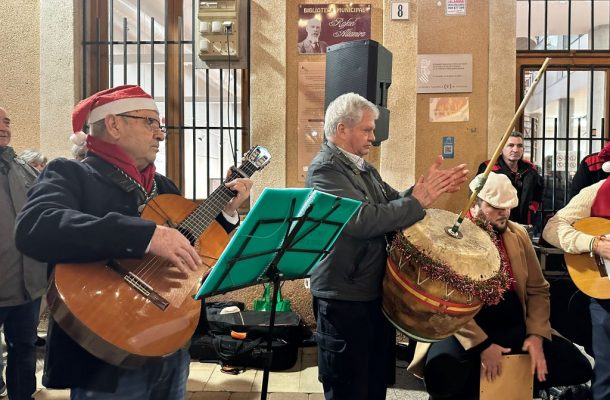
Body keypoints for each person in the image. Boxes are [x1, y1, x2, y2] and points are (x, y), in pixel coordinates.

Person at [13, 85, 253, 399]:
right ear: (113, 124)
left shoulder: (163, 186)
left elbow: (191, 244)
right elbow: (34, 226)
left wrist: (226, 212)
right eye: (150, 122)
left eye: (160, 125)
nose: (160, 134)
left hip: (167, 342)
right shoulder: (70, 173)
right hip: (102, 355)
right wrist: (146, 235)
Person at [306, 92, 468, 400]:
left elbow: (392, 202)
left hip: (372, 291)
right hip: (343, 298)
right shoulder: (324, 170)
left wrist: (421, 192)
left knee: (374, 382)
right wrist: (416, 202)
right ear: (342, 129)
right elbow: (361, 219)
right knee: (348, 387)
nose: (373, 137)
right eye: (367, 130)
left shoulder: (364, 168)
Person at [408, 172, 592, 400]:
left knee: (576, 366)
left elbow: (537, 289)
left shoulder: (518, 234)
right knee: (442, 374)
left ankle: (525, 387)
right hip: (462, 324)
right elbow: (444, 304)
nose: (504, 213)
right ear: (475, 204)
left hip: (511, 321)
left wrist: (536, 334)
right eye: (496, 207)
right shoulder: (450, 236)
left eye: (508, 207)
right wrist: (482, 346)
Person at [543, 178, 610, 400]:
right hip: (606, 296)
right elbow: (553, 227)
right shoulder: (599, 190)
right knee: (607, 370)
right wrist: (593, 244)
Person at [0, 106, 48, 400]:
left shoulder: (24, 169)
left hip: (28, 284)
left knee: (24, 347)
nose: (3, 126)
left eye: (6, 121)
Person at [477, 131, 543, 228]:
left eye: (519, 146)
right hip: (496, 222)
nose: (515, 150)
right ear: (501, 147)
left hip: (524, 222)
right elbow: (478, 195)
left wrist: (533, 208)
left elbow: (539, 189)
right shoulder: (488, 167)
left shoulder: (530, 169)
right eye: (511, 145)